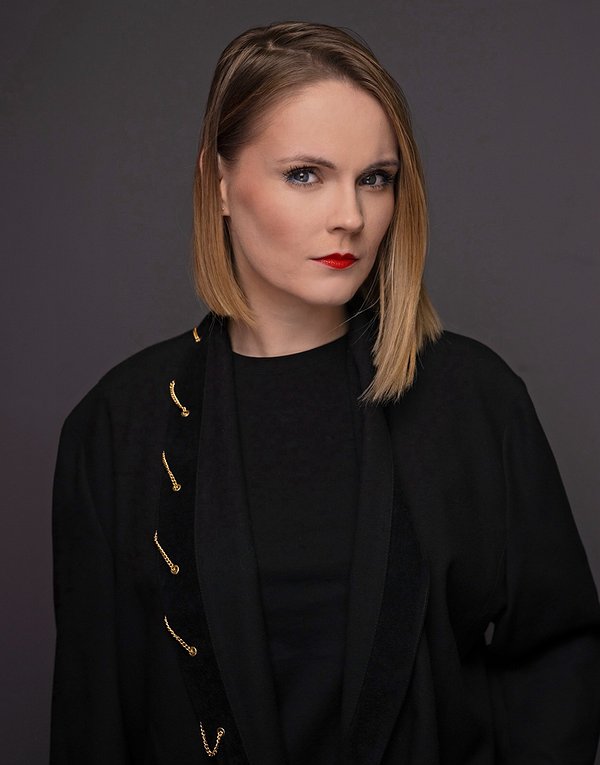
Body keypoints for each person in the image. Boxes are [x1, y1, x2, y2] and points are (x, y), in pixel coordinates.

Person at [50, 20, 600, 765]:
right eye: (306, 174)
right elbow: (93, 714)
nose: (351, 216)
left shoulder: (474, 400)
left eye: (375, 178)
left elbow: (557, 661)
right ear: (219, 183)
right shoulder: (118, 426)